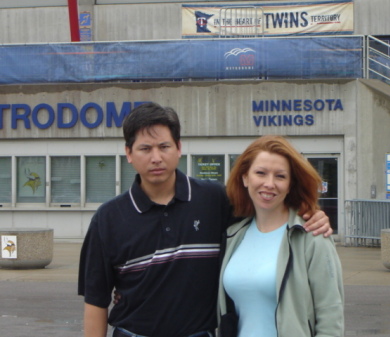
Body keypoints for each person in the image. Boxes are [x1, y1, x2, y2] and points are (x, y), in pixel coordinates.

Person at [78, 103, 332, 337]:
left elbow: (267, 204)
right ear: (129, 153)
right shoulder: (108, 218)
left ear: (179, 148)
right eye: (145, 148)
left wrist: (310, 213)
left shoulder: (215, 200)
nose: (156, 157)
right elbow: (96, 301)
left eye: (164, 147)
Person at [217, 135, 344, 337]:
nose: (269, 183)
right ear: (245, 177)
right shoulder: (233, 236)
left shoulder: (312, 236)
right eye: (261, 173)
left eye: (280, 176)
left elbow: (330, 316)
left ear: (291, 184)